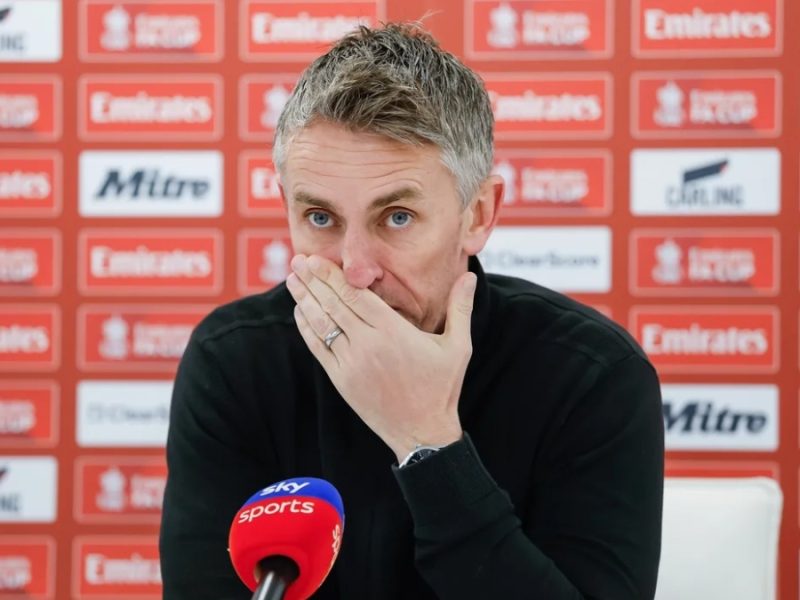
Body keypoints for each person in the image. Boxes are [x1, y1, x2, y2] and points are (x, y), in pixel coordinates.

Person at [159, 22, 664, 599]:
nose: (355, 269)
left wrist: (429, 443)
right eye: (320, 218)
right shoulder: (235, 362)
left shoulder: (592, 376)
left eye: (396, 217)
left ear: (478, 215)